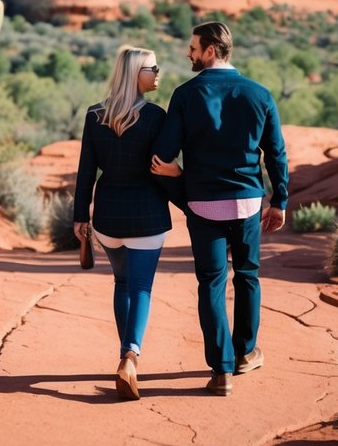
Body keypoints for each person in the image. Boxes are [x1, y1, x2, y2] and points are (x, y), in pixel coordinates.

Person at [151, 20, 288, 396]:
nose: (189, 53)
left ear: (210, 50)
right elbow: (275, 153)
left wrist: (184, 190)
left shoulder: (185, 95)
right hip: (247, 201)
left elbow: (161, 159)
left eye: (193, 47)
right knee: (247, 276)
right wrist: (280, 200)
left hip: (203, 204)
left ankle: (221, 370)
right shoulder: (259, 94)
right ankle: (246, 353)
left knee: (211, 282)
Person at [73, 44, 177, 401]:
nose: (158, 73)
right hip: (146, 214)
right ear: (136, 73)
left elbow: (86, 170)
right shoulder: (155, 116)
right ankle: (130, 357)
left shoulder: (94, 114)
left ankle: (124, 355)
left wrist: (79, 216)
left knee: (121, 282)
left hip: (107, 217)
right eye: (153, 67)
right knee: (141, 288)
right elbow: (162, 170)